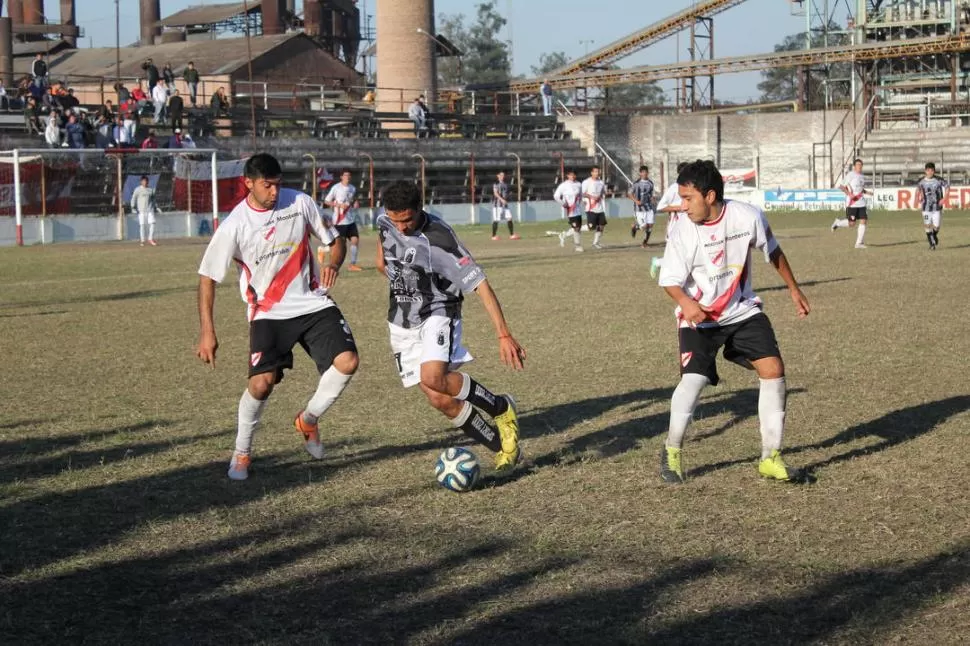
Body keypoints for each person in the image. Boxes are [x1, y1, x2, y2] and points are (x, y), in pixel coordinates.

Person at [196, 153, 359, 481]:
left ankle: (309, 419)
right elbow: (207, 278)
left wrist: (333, 263)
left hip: (312, 303)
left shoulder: (300, 202)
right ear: (249, 184)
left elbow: (335, 241)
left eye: (277, 184)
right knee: (261, 384)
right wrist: (207, 332)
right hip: (268, 312)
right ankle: (242, 451)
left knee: (347, 362)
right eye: (266, 185)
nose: (273, 192)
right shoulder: (235, 224)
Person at [656, 160, 810, 484]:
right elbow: (669, 279)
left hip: (741, 311)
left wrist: (794, 289)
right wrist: (687, 303)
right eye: (681, 199)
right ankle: (672, 450)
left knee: (774, 371)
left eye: (688, 199)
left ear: (710, 196)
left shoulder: (747, 217)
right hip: (699, 317)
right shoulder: (682, 230)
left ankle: (771, 457)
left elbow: (774, 251)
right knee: (694, 381)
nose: (682, 206)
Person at [376, 180, 525, 473]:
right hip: (401, 320)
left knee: (433, 377)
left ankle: (501, 408)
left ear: (419, 208)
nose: (401, 228)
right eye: (396, 221)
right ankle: (502, 446)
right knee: (439, 398)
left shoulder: (441, 239)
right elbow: (383, 260)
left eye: (406, 220)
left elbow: (480, 284)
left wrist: (503, 334)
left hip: (439, 311)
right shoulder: (384, 222)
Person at [651, 161, 689, 278]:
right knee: (678, 253)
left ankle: (660, 263)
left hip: (689, 223)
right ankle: (658, 263)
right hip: (676, 225)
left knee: (686, 252)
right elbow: (660, 207)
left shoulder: (691, 187)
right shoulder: (674, 188)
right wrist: (680, 208)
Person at [321, 169, 363, 272]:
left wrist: (355, 203)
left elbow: (351, 200)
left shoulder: (352, 188)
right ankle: (323, 250)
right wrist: (339, 205)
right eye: (345, 175)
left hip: (350, 219)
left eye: (349, 175)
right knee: (340, 245)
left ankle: (352, 265)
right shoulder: (336, 188)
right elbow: (326, 201)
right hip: (339, 221)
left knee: (355, 240)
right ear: (341, 177)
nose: (347, 177)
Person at [831, 158, 871, 249]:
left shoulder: (862, 176)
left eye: (861, 165)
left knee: (863, 220)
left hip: (861, 202)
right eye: (858, 165)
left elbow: (860, 189)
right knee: (852, 224)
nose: (859, 167)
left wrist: (867, 192)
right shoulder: (850, 175)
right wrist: (849, 194)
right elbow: (841, 186)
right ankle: (837, 223)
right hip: (852, 203)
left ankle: (859, 243)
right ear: (854, 166)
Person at [915, 161, 946, 250]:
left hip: (937, 207)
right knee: (927, 225)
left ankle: (933, 235)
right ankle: (932, 243)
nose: (930, 172)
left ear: (934, 171)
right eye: (928, 170)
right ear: (925, 171)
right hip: (926, 208)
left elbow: (947, 187)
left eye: (931, 170)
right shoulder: (921, 181)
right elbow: (918, 190)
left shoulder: (939, 180)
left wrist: (945, 198)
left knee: (936, 227)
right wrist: (917, 198)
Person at [554, 169, 584, 252]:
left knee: (578, 228)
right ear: (567, 175)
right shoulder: (563, 185)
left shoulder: (578, 184)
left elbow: (580, 195)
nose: (573, 176)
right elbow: (556, 196)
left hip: (577, 209)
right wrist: (563, 204)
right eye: (571, 175)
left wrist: (580, 202)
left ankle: (564, 235)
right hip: (570, 210)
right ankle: (577, 246)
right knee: (576, 228)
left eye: (574, 175)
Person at [628, 165, 656, 248]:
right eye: (643, 172)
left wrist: (653, 199)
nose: (644, 174)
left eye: (646, 172)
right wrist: (636, 201)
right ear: (640, 173)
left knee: (650, 226)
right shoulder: (636, 184)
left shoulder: (650, 183)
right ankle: (635, 227)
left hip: (648, 207)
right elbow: (629, 194)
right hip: (639, 209)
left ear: (648, 173)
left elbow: (651, 194)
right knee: (644, 227)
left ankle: (644, 243)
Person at [582, 167, 607, 249]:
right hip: (590, 207)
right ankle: (574, 229)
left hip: (599, 207)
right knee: (591, 227)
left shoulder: (601, 182)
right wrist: (592, 197)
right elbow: (582, 193)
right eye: (595, 171)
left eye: (598, 171)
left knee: (602, 225)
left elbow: (603, 192)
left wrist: (603, 194)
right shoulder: (586, 182)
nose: (597, 173)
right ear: (591, 172)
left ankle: (596, 243)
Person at [490, 170, 519, 241]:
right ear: (498, 176)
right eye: (501, 175)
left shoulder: (505, 184)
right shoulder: (496, 183)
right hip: (497, 205)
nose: (502, 177)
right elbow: (495, 193)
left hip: (505, 205)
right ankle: (493, 236)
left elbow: (506, 194)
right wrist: (502, 200)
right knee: (496, 220)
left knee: (509, 218)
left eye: (503, 175)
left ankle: (512, 235)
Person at [130, 175, 157, 246]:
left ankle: (150, 239)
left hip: (150, 210)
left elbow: (153, 199)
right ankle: (142, 240)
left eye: (146, 181)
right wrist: (133, 207)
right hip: (141, 210)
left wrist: (155, 207)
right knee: (142, 225)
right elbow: (133, 198)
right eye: (143, 181)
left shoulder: (150, 190)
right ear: (141, 182)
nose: (145, 182)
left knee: (152, 223)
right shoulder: (137, 189)